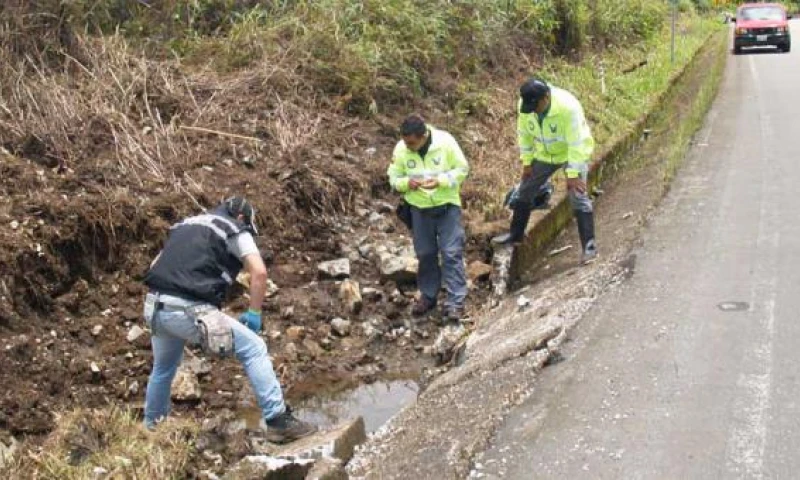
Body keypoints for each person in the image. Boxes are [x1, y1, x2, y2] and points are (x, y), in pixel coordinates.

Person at [142, 196, 316, 443]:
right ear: (242, 218)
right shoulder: (233, 227)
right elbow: (259, 272)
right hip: (188, 309)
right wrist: (254, 313)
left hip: (156, 307)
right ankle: (278, 420)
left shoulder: (186, 224)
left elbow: (154, 264)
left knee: (163, 368)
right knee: (254, 348)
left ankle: (152, 430)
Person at [493, 78, 598, 264]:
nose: (533, 110)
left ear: (546, 97)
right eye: (530, 107)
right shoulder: (525, 105)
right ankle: (515, 235)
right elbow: (524, 134)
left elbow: (576, 143)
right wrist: (527, 162)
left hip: (571, 154)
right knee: (524, 190)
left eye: (536, 106)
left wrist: (572, 174)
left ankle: (589, 247)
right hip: (545, 155)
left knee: (578, 196)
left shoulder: (568, 107)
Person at [387, 115, 470, 322]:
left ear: (424, 136)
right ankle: (428, 295)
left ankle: (456, 302)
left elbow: (462, 169)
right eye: (406, 143)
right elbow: (393, 178)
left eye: (412, 143)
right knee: (425, 254)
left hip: (447, 206)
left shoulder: (445, 142)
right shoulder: (401, 149)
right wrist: (407, 183)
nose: (409, 147)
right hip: (419, 209)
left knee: (451, 253)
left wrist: (441, 181)